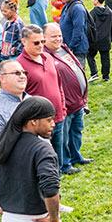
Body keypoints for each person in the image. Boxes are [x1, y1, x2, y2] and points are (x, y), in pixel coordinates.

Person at [17, 25, 70, 173]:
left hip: (57, 116)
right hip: (39, 122)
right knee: (43, 155)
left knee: (57, 152)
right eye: (36, 43)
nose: (41, 46)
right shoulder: (19, 65)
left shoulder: (47, 57)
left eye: (42, 41)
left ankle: (57, 176)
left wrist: (63, 106)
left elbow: (58, 83)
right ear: (24, 42)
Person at [43, 23, 90, 174]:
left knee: (76, 131)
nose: (58, 39)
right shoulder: (45, 56)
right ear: (44, 38)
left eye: (59, 35)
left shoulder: (63, 48)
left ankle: (76, 156)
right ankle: (65, 164)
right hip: (65, 105)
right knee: (63, 137)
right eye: (53, 36)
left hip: (78, 102)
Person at [56, 0, 89, 72]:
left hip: (76, 50)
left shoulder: (77, 8)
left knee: (77, 76)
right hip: (68, 48)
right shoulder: (67, 5)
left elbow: (78, 30)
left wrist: (71, 47)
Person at [87, 0, 112, 82]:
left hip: (94, 40)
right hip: (106, 40)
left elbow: (89, 28)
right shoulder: (110, 12)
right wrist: (111, 38)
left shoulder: (92, 13)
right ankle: (106, 76)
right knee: (105, 58)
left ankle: (94, 73)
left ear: (96, 0)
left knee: (90, 55)